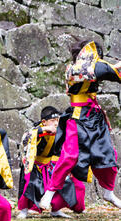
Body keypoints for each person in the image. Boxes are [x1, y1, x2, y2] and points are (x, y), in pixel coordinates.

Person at [39, 39, 121, 210]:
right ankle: (50, 191)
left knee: (107, 155)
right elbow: (104, 70)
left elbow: (108, 71)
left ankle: (108, 191)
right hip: (78, 118)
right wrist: (115, 68)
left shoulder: (92, 67)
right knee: (70, 155)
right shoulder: (76, 68)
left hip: (95, 118)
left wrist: (115, 68)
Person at [17, 106, 86, 219]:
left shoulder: (61, 131)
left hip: (52, 164)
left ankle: (56, 209)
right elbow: (26, 137)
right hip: (35, 165)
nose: (56, 124)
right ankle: (24, 210)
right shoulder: (36, 130)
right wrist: (43, 130)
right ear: (44, 122)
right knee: (29, 182)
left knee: (71, 183)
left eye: (57, 121)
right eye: (52, 121)